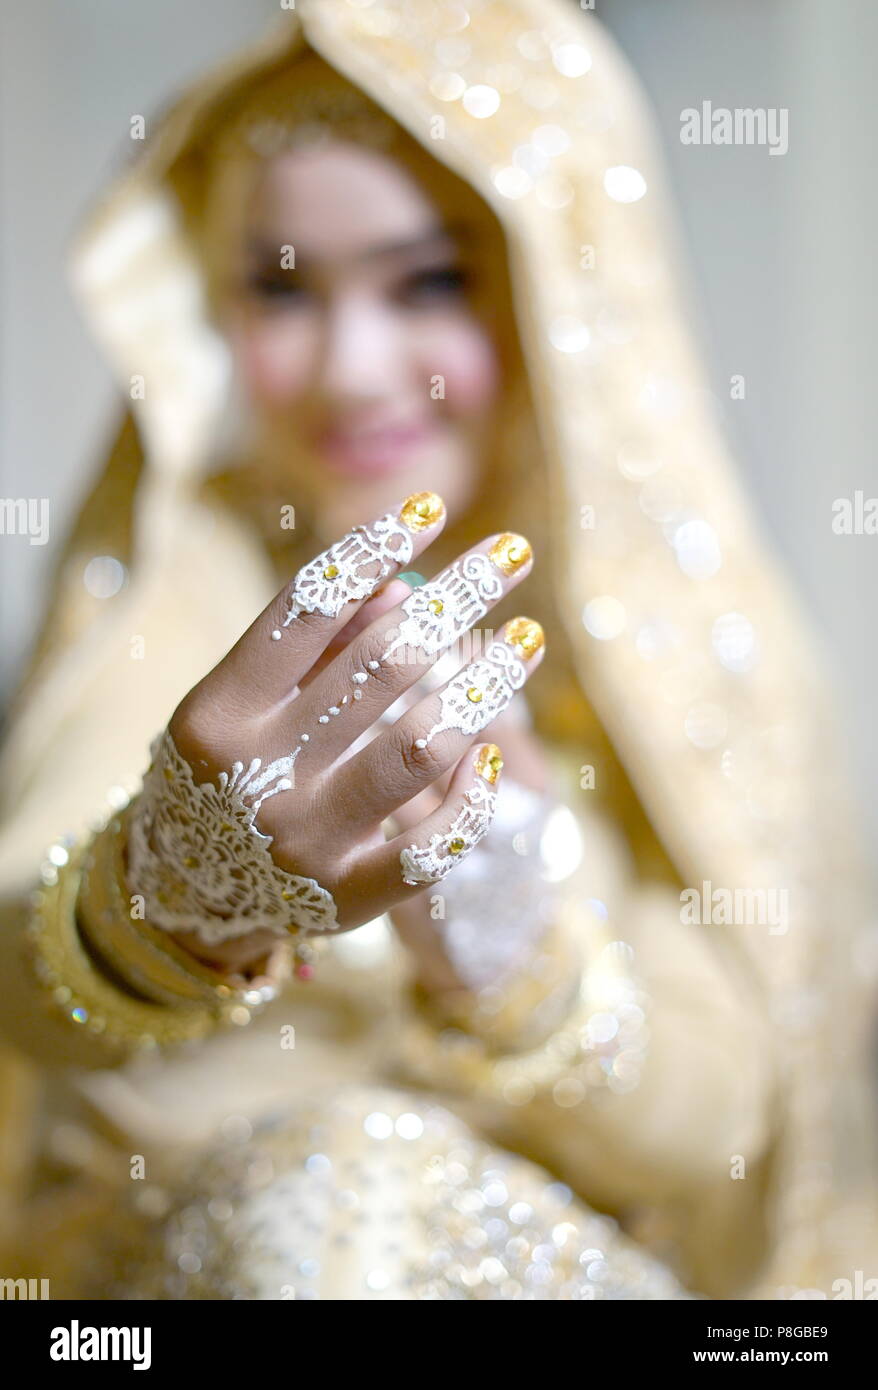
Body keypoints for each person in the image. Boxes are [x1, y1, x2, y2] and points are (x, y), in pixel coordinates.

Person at [0, 0, 874, 1301]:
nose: (353, 371)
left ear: (552, 285)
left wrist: (524, 965)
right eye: (282, 286)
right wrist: (173, 891)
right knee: (341, 1178)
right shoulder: (195, 569)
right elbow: (22, 984)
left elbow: (739, 1122)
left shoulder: (648, 616)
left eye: (431, 280)